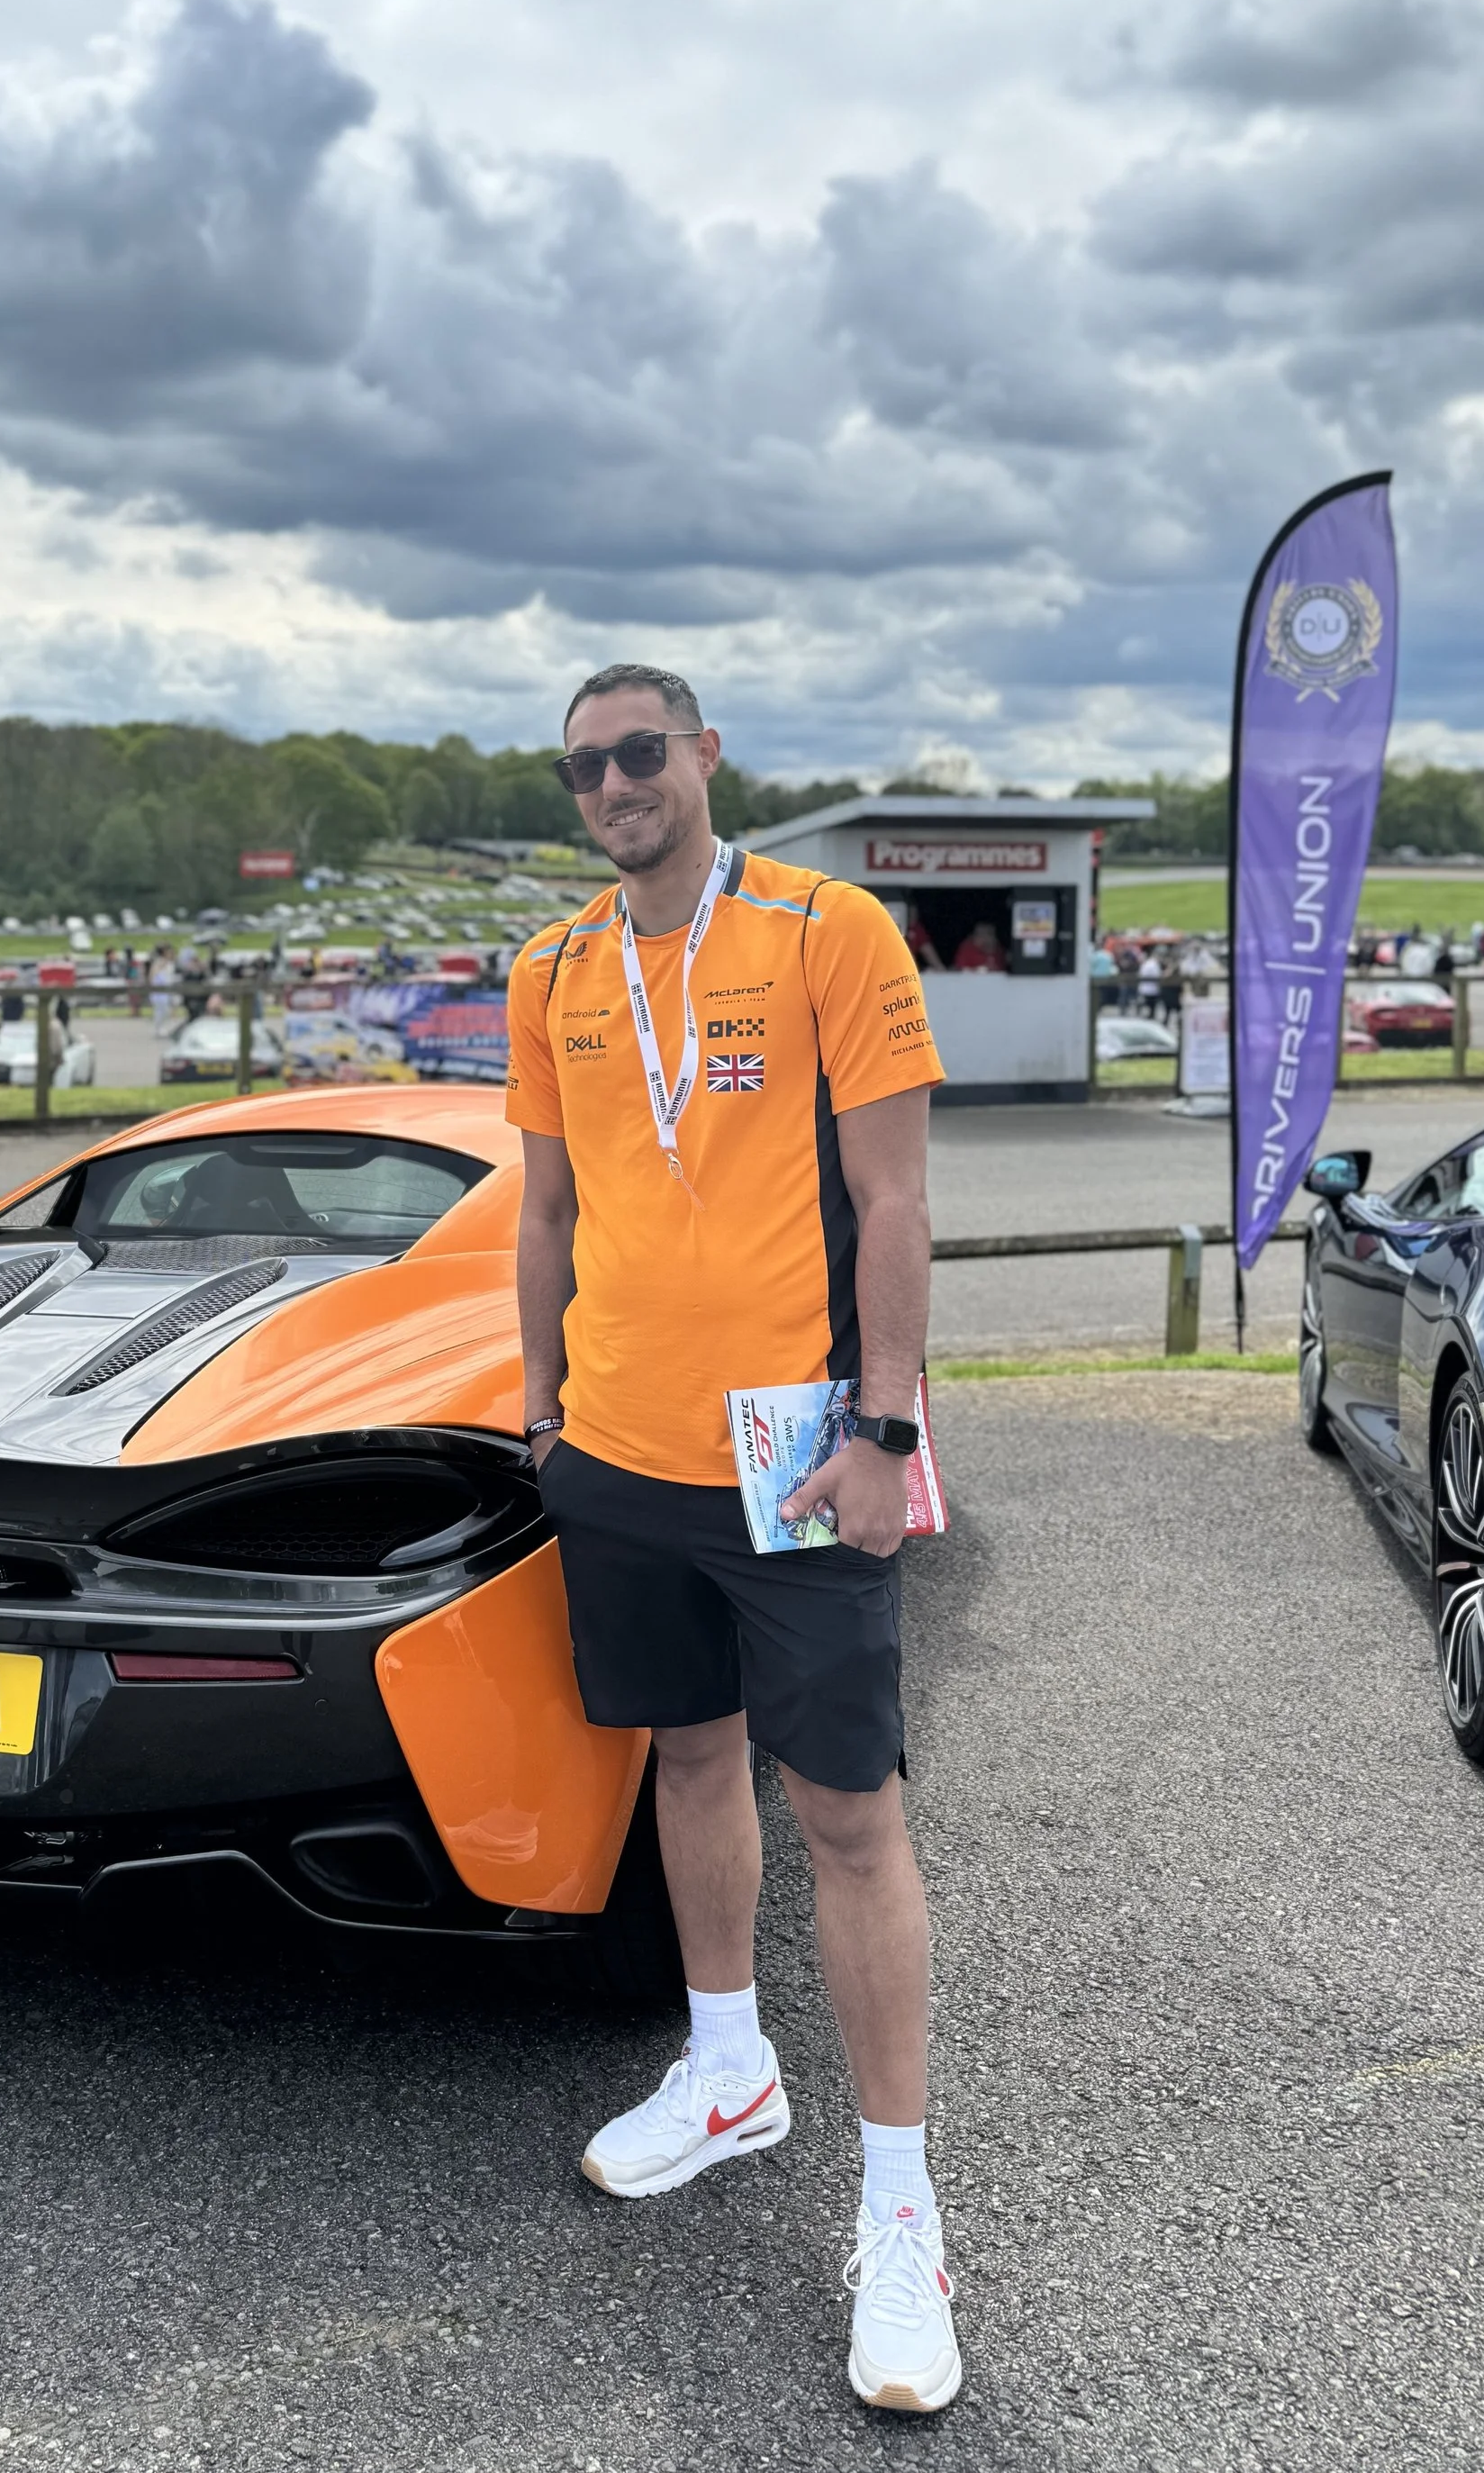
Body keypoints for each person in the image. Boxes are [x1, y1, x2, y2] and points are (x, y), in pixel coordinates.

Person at [508, 661, 958, 2415]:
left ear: (703, 754)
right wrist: (541, 1407)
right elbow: (544, 1206)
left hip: (797, 1458)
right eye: (582, 767)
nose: (613, 783)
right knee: (683, 1761)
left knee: (846, 1814)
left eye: (640, 750)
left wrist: (884, 1425)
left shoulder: (827, 930)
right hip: (614, 1452)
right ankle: (723, 2068)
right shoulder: (550, 968)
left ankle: (901, 2203)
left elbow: (896, 1197)